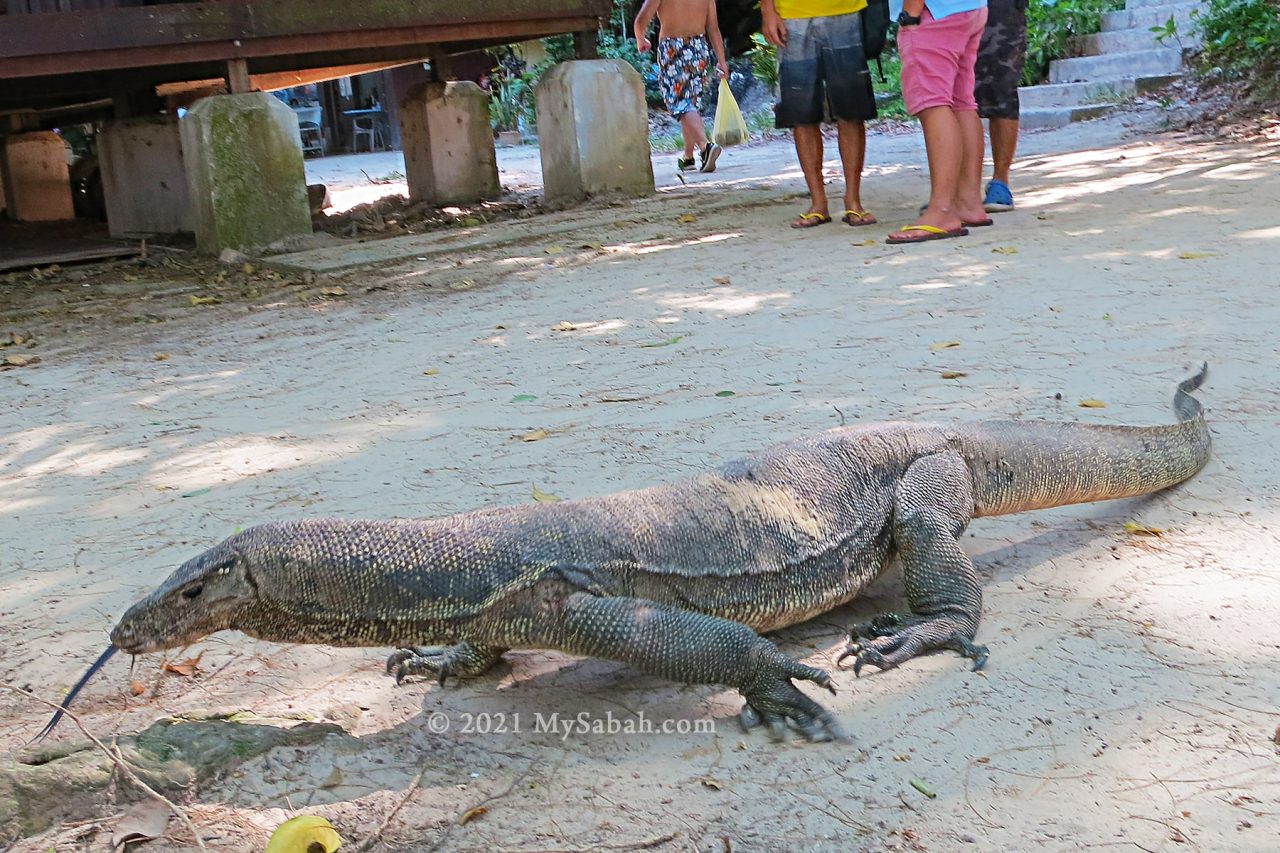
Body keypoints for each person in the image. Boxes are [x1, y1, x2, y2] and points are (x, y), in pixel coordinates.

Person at [761, 0, 879, 229]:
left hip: (846, 10)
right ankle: (818, 204)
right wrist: (768, 11)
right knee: (801, 111)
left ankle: (853, 201)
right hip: (792, 15)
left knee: (851, 109)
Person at [887, 0, 990, 244]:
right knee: (961, 102)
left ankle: (942, 211)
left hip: (932, 12)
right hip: (969, 8)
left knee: (933, 103)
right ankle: (968, 202)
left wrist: (910, 13)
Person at [635, 0, 730, 173]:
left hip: (673, 49)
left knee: (680, 103)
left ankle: (705, 146)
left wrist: (640, 39)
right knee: (689, 103)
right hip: (699, 48)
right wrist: (722, 62)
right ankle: (688, 156)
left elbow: (641, 20)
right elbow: (713, 29)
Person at [974, 0, 1027, 211]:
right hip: (948, 8)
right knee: (952, 96)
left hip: (1002, 8)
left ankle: (1000, 182)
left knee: (1002, 88)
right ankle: (958, 190)